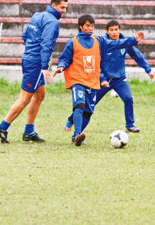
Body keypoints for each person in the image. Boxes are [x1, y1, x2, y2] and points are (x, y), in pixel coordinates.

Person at [53, 15, 145, 146]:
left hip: (92, 81)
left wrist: (133, 40)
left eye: (92, 26)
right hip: (77, 80)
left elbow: (116, 43)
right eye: (87, 26)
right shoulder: (72, 42)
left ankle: (76, 137)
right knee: (79, 105)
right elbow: (65, 58)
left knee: (88, 112)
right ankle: (78, 134)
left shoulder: (99, 41)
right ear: (80, 27)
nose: (90, 28)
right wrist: (61, 66)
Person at [0, 0, 68, 144]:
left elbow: (25, 36)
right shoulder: (52, 22)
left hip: (29, 58)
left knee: (40, 96)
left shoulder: (37, 15)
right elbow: (46, 45)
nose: (65, 10)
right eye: (62, 7)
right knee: (25, 98)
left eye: (66, 7)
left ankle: (29, 132)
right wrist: (44, 67)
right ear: (53, 6)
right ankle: (2, 127)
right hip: (35, 63)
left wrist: (31, 51)